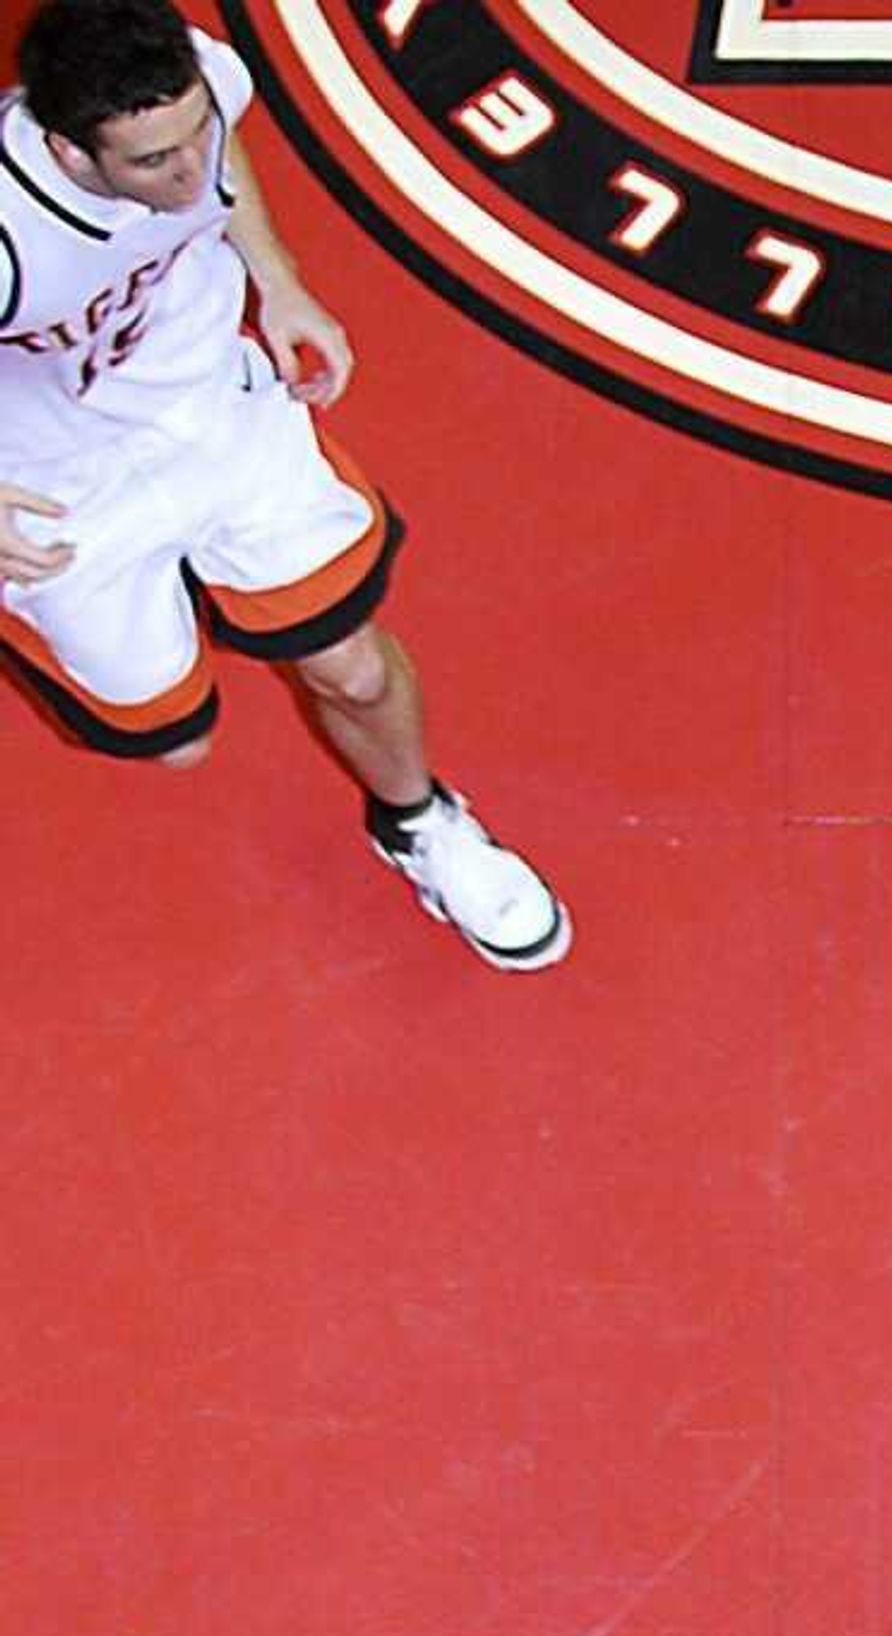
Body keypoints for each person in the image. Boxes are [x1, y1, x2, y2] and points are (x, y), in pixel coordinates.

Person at [1, 0, 565, 969]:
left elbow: (218, 174)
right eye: (150, 163)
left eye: (195, 138)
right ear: (68, 150)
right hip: (57, 487)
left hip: (209, 406)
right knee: (173, 746)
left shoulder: (200, 84)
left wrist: (280, 277)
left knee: (351, 663)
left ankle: (418, 820)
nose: (186, 175)